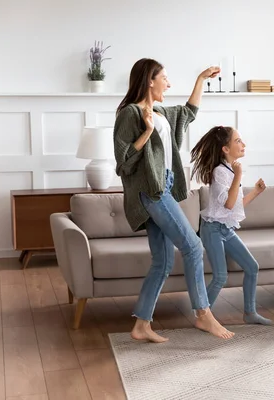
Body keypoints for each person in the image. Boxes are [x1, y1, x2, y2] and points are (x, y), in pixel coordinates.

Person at [114, 58, 234, 342]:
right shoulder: (130, 114)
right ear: (149, 80)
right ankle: (203, 314)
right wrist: (146, 132)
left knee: (163, 262)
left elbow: (189, 111)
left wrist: (201, 79)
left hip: (164, 185)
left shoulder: (160, 110)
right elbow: (124, 162)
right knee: (193, 246)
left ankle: (141, 325)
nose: (168, 83)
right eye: (164, 78)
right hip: (151, 190)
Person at [190, 126, 272, 325]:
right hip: (212, 230)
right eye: (238, 141)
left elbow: (234, 206)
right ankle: (203, 317)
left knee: (252, 267)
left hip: (225, 229)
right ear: (225, 149)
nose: (243, 144)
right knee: (220, 276)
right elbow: (228, 203)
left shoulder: (230, 170)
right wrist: (238, 176)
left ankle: (250, 313)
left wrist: (256, 192)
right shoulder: (221, 172)